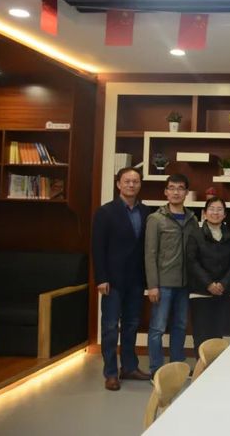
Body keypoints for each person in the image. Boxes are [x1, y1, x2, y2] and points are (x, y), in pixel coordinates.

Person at [91, 167, 151, 391]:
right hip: (112, 280)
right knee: (109, 327)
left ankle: (129, 367)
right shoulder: (105, 212)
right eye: (127, 181)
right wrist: (101, 278)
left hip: (136, 279)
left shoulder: (146, 212)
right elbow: (98, 248)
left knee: (131, 325)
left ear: (140, 185)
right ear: (118, 184)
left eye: (135, 181)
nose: (131, 185)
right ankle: (110, 373)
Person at [145, 173, 200, 376]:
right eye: (172, 188)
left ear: (186, 192)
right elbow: (150, 254)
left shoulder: (192, 219)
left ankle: (177, 366)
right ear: (166, 192)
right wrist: (152, 285)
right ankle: (156, 370)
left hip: (185, 284)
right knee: (158, 328)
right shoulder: (156, 219)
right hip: (163, 283)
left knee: (180, 326)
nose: (176, 192)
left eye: (180, 188)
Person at [186, 197, 230, 357]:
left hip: (222, 293)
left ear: (224, 214)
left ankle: (214, 368)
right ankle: (201, 368)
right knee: (201, 335)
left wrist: (223, 284)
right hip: (200, 292)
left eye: (219, 209)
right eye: (212, 209)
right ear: (204, 213)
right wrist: (209, 284)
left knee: (217, 335)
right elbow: (192, 262)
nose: (215, 212)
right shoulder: (195, 235)